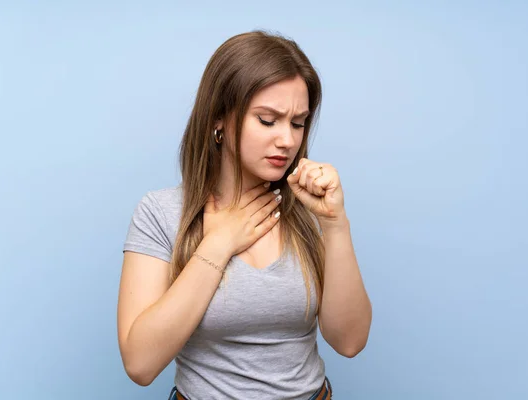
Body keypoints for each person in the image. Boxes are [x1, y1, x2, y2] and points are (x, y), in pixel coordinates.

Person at [117, 30, 372, 400]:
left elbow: (349, 341)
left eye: (297, 123)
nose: (287, 140)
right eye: (268, 120)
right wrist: (218, 245)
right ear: (219, 119)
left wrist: (335, 225)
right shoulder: (160, 213)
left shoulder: (308, 207)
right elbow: (140, 364)